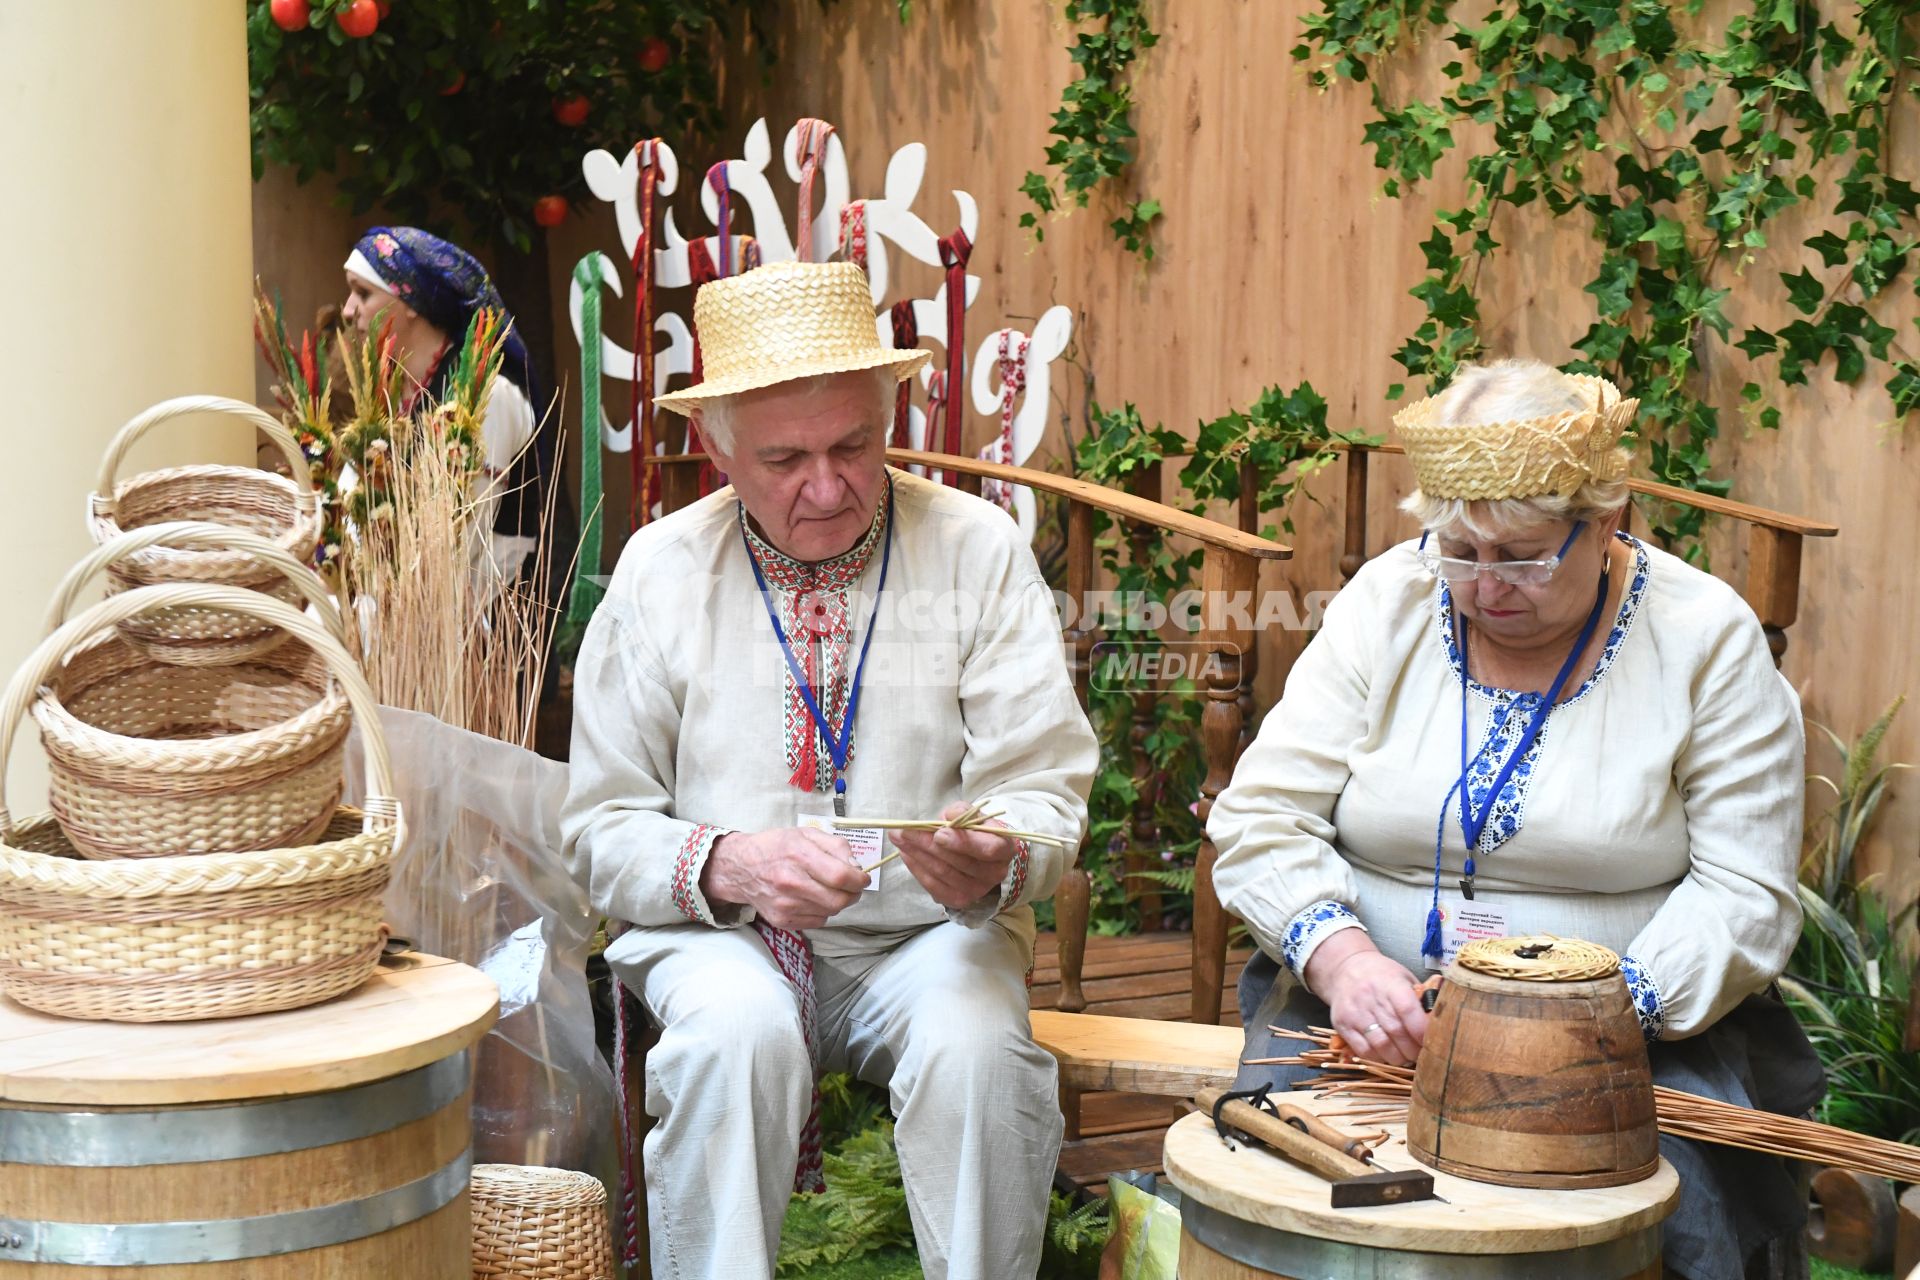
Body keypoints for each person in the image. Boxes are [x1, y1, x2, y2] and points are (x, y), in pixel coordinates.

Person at [1209, 359, 1823, 1280]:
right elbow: (1262, 816)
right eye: (1461, 552)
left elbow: (1747, 894)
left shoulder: (1707, 641)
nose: (1483, 585)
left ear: (1607, 523)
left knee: (1663, 1210)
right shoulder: (1391, 600)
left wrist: (1582, 1025)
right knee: (1292, 1188)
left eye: (1521, 557)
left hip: (1624, 1043)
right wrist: (1345, 963)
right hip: (1373, 1023)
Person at [560, 260, 1097, 1280]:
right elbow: (600, 827)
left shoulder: (975, 550)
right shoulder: (661, 573)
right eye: (785, 457)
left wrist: (997, 856)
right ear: (716, 445)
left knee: (978, 1050)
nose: (827, 483)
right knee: (736, 1038)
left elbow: (1043, 784)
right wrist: (734, 863)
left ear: (887, 416)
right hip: (727, 936)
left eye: (853, 444)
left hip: (930, 932)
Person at [342, 225, 555, 582]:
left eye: (362, 294)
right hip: (387, 604)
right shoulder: (390, 396)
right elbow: (351, 517)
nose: (348, 310)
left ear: (411, 302)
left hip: (477, 619)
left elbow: (460, 538)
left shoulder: (490, 396)